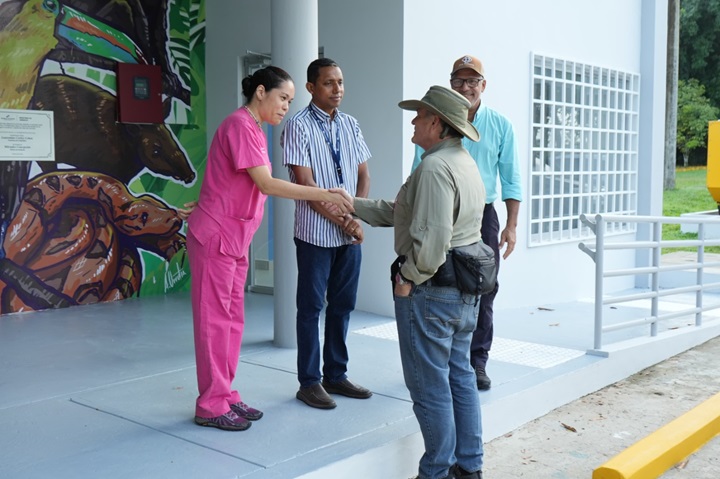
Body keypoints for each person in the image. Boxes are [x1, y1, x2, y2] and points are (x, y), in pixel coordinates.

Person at [185, 66, 352, 431]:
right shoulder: (240, 125)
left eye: (290, 102)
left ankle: (225, 393)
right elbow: (266, 184)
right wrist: (323, 192)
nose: (286, 107)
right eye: (282, 98)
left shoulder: (254, 129)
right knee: (214, 323)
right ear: (260, 91)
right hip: (216, 238)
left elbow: (223, 180)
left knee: (231, 322)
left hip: (235, 239)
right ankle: (210, 404)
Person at [352, 85, 485, 479]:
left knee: (429, 388)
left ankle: (436, 472)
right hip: (463, 292)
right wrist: (350, 203)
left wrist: (407, 280)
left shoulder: (433, 168)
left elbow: (432, 240)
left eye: (420, 115)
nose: (413, 120)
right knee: (459, 376)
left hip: (432, 292)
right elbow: (405, 213)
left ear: (438, 125)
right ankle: (469, 467)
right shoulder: (461, 161)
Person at [412, 55, 522, 390]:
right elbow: (419, 169)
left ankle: (476, 362)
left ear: (483, 86)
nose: (466, 87)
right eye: (459, 81)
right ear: (451, 84)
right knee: (438, 283)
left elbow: (512, 179)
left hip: (483, 215)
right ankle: (441, 359)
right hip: (440, 210)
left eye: (472, 81)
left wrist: (511, 225)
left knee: (482, 289)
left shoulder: (501, 125)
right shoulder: (435, 122)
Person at [281, 58, 372, 409]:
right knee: (311, 307)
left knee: (343, 306)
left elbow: (363, 177)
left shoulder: (351, 124)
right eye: (329, 83)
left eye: (341, 82)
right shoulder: (297, 126)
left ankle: (336, 374)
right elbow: (305, 185)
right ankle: (309, 382)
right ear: (311, 88)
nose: (338, 89)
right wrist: (344, 219)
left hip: (350, 235)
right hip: (315, 233)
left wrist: (356, 214)